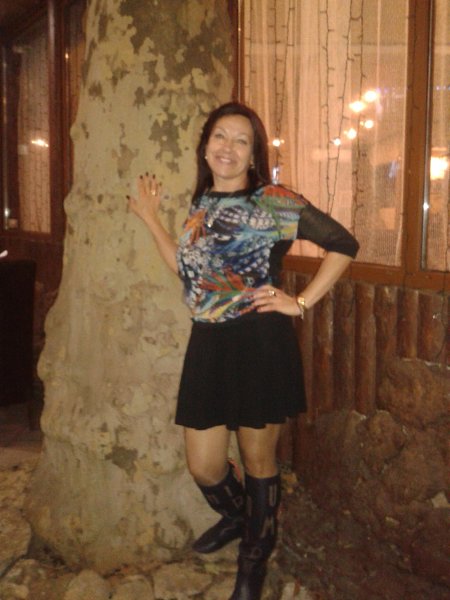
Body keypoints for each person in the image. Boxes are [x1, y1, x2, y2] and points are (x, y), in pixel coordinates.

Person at [127, 102, 359, 600]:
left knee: (258, 460)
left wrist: (300, 302)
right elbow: (188, 271)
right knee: (205, 466)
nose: (227, 148)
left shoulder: (273, 201)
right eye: (220, 136)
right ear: (205, 145)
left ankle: (253, 563)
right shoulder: (201, 203)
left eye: (241, 140)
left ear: (254, 154)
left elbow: (343, 243)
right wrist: (150, 219)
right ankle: (242, 518)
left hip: (260, 344)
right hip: (208, 344)